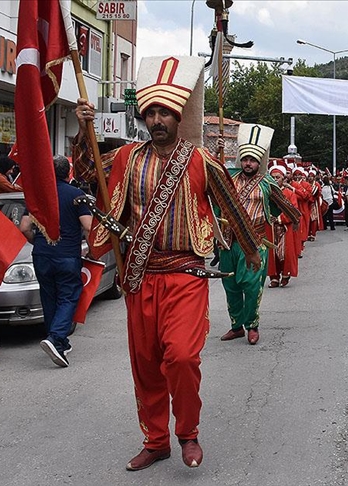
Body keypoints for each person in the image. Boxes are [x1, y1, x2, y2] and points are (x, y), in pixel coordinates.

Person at [73, 56, 261, 471]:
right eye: (150, 112)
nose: (157, 119)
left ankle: (188, 433)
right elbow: (85, 173)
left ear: (178, 117)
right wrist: (83, 131)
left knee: (180, 357)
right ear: (143, 116)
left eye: (165, 112)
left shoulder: (201, 161)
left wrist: (251, 249)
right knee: (146, 366)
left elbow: (232, 206)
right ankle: (155, 441)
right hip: (139, 277)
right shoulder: (124, 157)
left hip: (186, 274)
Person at [218, 124, 301, 345]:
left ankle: (252, 326)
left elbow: (283, 203)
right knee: (231, 285)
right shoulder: (229, 178)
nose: (248, 163)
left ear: (259, 162)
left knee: (252, 286)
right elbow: (211, 186)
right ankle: (236, 326)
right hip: (228, 241)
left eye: (252, 160)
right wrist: (216, 155)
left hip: (254, 242)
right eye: (245, 159)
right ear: (240, 160)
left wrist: (295, 219)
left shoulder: (267, 182)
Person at [19, 155, 92, 368]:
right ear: (68, 173)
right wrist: (93, 250)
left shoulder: (37, 196)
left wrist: (39, 243)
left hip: (42, 254)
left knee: (49, 297)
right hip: (67, 254)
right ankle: (55, 337)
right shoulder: (77, 195)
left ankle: (59, 343)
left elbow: (24, 227)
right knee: (69, 297)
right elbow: (87, 226)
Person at [266, 163, 301, 288]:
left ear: (283, 178)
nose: (275, 180)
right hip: (270, 227)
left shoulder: (289, 193)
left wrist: (279, 218)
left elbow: (293, 210)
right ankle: (274, 277)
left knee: (285, 252)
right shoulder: (267, 192)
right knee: (272, 252)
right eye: (273, 177)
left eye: (278, 177)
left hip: (285, 228)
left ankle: (286, 274)